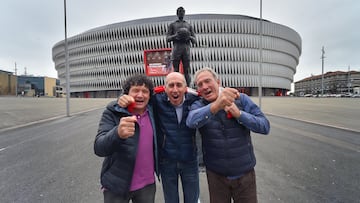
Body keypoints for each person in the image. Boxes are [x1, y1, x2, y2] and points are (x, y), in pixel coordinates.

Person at [186, 67, 270, 203]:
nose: (204, 86)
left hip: (244, 174)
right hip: (216, 176)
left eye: (207, 81)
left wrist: (240, 115)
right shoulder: (199, 105)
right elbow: (191, 121)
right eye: (199, 84)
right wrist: (216, 106)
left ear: (218, 82)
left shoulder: (240, 99)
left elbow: (265, 126)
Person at [118, 72, 199, 203]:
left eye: (179, 85)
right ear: (164, 88)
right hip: (167, 161)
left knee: (192, 199)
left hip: (189, 160)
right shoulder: (157, 101)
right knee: (171, 199)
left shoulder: (194, 100)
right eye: (171, 85)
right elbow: (137, 96)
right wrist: (121, 97)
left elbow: (210, 94)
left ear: (185, 88)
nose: (175, 89)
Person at [94, 74, 159, 203]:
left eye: (145, 91)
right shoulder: (113, 112)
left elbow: (166, 92)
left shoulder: (153, 111)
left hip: (147, 185)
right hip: (116, 185)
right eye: (135, 90)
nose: (140, 95)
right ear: (127, 94)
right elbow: (99, 147)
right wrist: (117, 133)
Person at [166, 6, 196, 87]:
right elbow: (168, 39)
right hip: (176, 48)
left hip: (186, 49)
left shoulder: (188, 25)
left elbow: (194, 40)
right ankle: (175, 85)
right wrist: (176, 35)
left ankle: (188, 87)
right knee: (175, 70)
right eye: (179, 12)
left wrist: (188, 36)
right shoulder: (172, 25)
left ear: (184, 13)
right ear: (177, 13)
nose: (181, 13)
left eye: (182, 12)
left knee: (187, 70)